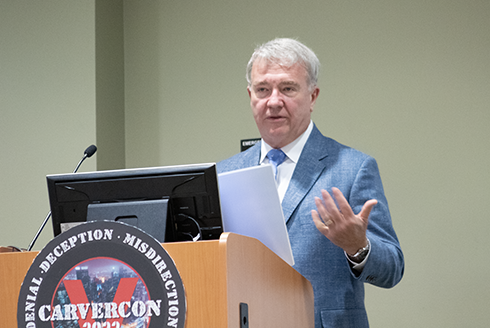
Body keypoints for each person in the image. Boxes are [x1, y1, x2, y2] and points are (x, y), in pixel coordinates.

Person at [216, 38, 404, 328]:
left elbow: (393, 268)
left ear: (313, 96)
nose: (274, 101)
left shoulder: (353, 168)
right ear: (250, 95)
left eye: (288, 88)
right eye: (263, 89)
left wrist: (359, 247)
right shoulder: (224, 173)